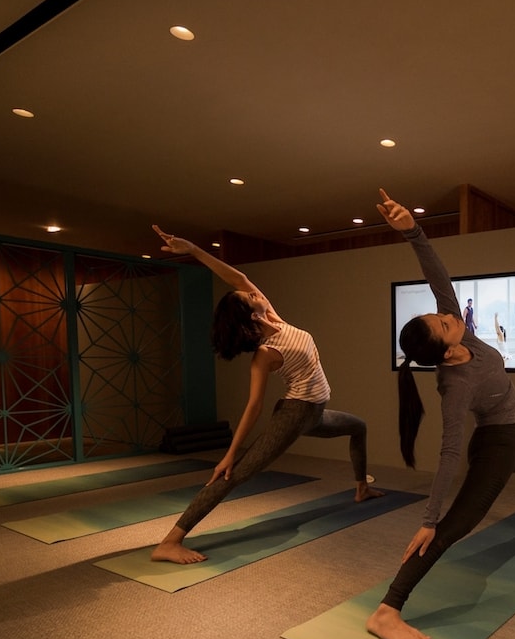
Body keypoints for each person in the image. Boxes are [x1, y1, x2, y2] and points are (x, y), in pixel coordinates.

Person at [367, 190, 515, 639]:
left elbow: (437, 275)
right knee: (454, 526)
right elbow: (450, 453)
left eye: (441, 315)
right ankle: (387, 610)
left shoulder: (458, 332)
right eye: (443, 322)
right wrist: (429, 517)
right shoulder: (455, 386)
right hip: (495, 445)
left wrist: (412, 231)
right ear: (446, 349)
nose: (448, 315)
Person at [149, 225, 380, 564]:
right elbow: (254, 406)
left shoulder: (273, 317)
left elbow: (237, 277)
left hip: (316, 413)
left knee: (358, 427)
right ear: (251, 314)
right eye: (250, 297)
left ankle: (362, 488)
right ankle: (170, 541)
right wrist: (230, 454)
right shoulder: (265, 353)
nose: (254, 292)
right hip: (294, 415)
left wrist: (194, 250)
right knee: (235, 474)